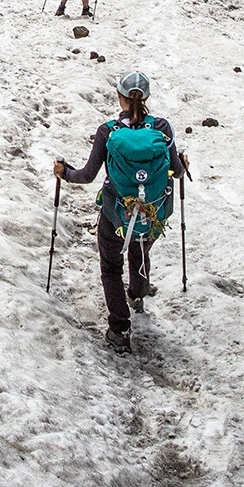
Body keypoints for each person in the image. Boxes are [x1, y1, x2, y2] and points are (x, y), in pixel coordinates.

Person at [53, 72, 184, 353]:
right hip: (152, 212)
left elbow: (87, 175)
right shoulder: (162, 128)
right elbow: (177, 171)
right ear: (146, 98)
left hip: (116, 213)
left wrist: (64, 173)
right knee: (140, 249)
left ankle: (119, 329)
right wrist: (182, 161)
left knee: (111, 266)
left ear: (119, 96)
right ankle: (138, 294)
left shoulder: (108, 131)